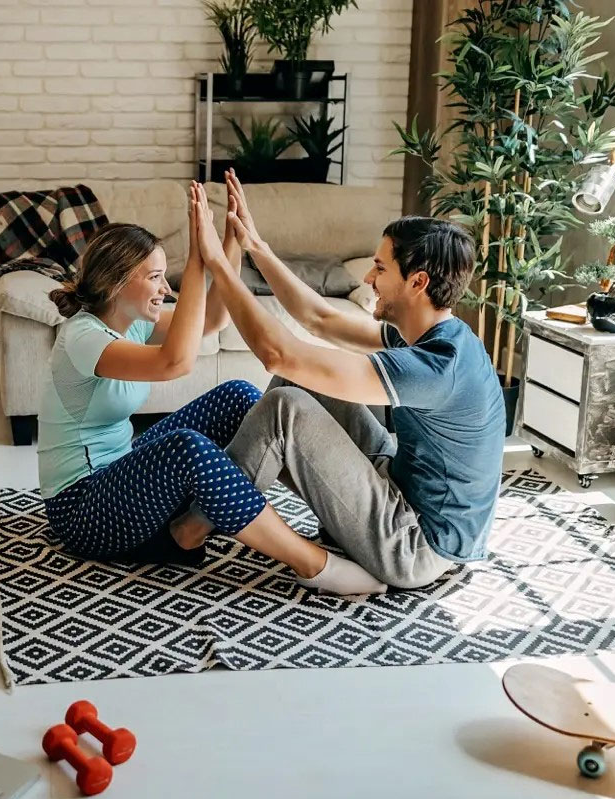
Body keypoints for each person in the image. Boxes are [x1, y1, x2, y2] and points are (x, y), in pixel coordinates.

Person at [37, 181, 387, 596]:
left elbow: (214, 319)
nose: (165, 289)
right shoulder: (83, 337)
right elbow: (176, 362)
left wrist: (227, 242)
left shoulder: (129, 321)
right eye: (155, 278)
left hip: (119, 473)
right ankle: (314, 565)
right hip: (82, 510)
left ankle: (333, 516)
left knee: (238, 396)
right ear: (117, 282)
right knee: (187, 448)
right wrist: (196, 257)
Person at [176, 175, 505, 590]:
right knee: (297, 384)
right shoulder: (432, 333)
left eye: (380, 268)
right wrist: (255, 247)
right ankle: (217, 502)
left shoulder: (436, 366)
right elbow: (321, 319)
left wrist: (220, 265)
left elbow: (278, 353)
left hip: (416, 544)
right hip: (401, 485)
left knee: (285, 409)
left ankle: (189, 530)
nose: (368, 278)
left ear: (418, 282)